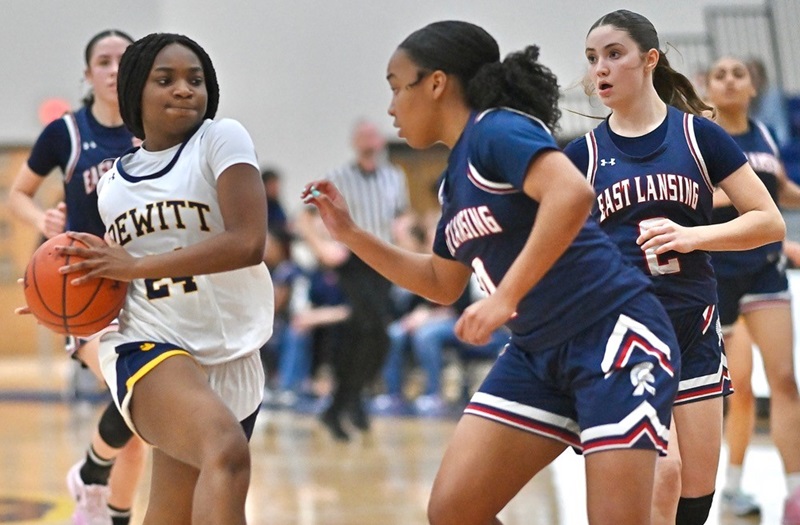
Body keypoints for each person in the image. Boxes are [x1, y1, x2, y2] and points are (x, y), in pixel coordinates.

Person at [304, 20, 684, 525]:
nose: (392, 107)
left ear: (436, 83)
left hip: (613, 337)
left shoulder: (496, 128)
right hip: (536, 353)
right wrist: (351, 235)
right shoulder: (450, 182)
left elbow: (570, 194)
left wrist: (504, 297)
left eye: (397, 88)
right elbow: (442, 283)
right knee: (455, 510)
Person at [563, 10, 786, 525]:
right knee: (663, 476)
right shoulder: (581, 156)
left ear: (649, 60)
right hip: (626, 334)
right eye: (593, 59)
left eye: (614, 55)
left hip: (694, 324)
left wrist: (693, 235)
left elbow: (768, 220)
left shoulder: (697, 136)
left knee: (696, 486)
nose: (600, 69)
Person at [56, 32, 273, 524]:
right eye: (166, 79)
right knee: (227, 452)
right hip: (148, 343)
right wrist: (57, 294)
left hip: (233, 349)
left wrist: (135, 266)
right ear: (136, 91)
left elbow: (247, 242)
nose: (184, 90)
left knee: (172, 512)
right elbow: (102, 265)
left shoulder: (221, 139)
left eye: (195, 80)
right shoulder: (112, 184)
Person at [8, 29, 146, 525]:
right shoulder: (65, 132)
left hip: (145, 287)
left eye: (122, 61)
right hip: (86, 290)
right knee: (134, 391)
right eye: (103, 62)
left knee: (137, 431)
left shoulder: (154, 131)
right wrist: (41, 221)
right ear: (88, 75)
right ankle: (90, 479)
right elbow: (17, 194)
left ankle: (106, 503)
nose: (113, 70)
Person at [704, 55, 800, 520]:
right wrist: (740, 197)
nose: (728, 80)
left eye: (737, 73)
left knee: (784, 380)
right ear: (708, 86)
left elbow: (780, 191)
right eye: (719, 74)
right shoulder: (699, 136)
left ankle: (794, 494)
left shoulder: (764, 137)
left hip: (764, 268)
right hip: (718, 273)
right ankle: (733, 488)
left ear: (752, 86)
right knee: (737, 388)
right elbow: (693, 199)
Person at [297, 119, 409, 441]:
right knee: (370, 329)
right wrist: (322, 248)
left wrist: (409, 249)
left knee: (369, 335)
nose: (370, 141)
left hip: (385, 262)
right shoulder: (337, 177)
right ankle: (345, 405)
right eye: (364, 135)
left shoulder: (395, 176)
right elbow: (303, 216)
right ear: (354, 141)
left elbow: (400, 218)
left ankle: (346, 403)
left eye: (374, 135)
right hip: (354, 263)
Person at [747, 58, 792, 149]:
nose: (751, 81)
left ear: (763, 78)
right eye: (748, 77)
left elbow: (781, 130)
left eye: (754, 76)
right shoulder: (742, 98)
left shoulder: (773, 95)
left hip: (775, 144)